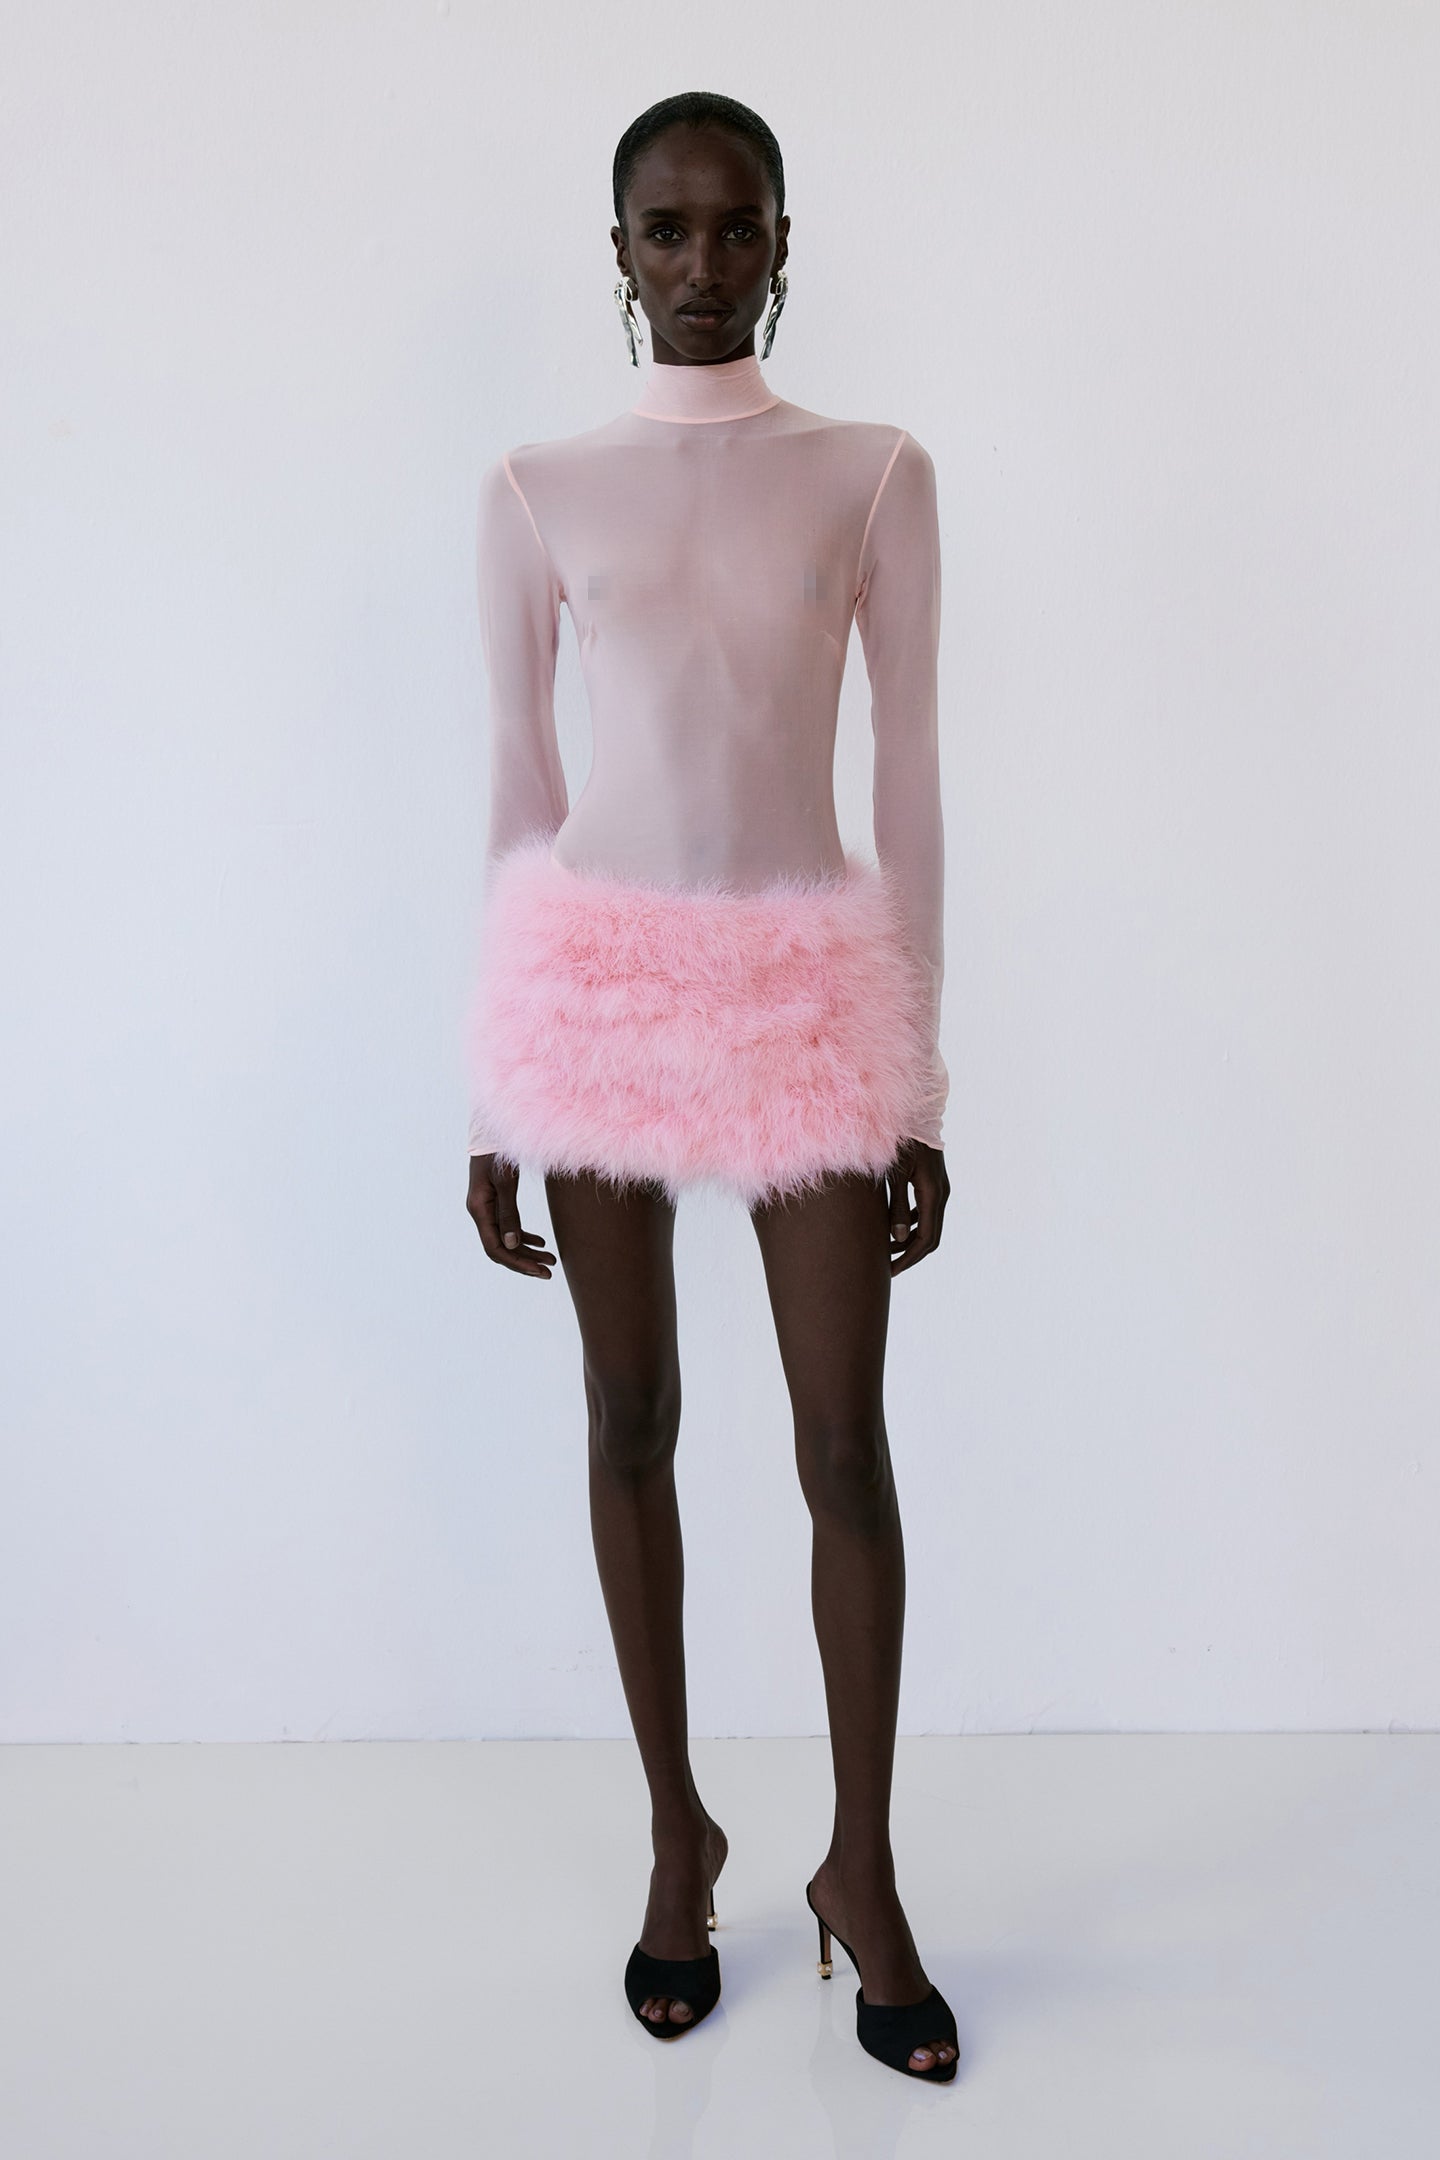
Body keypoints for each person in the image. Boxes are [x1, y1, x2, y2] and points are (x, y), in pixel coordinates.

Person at [464, 90, 959, 2082]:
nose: (700, 263)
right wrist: (496, 1093)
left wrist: (917, 1073)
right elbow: (520, 786)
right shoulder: (536, 488)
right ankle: (679, 1838)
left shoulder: (873, 471)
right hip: (594, 989)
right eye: (664, 231)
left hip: (806, 992)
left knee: (843, 1450)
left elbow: (909, 781)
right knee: (629, 1420)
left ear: (780, 242)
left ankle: (865, 1868)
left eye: (733, 226)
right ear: (618, 252)